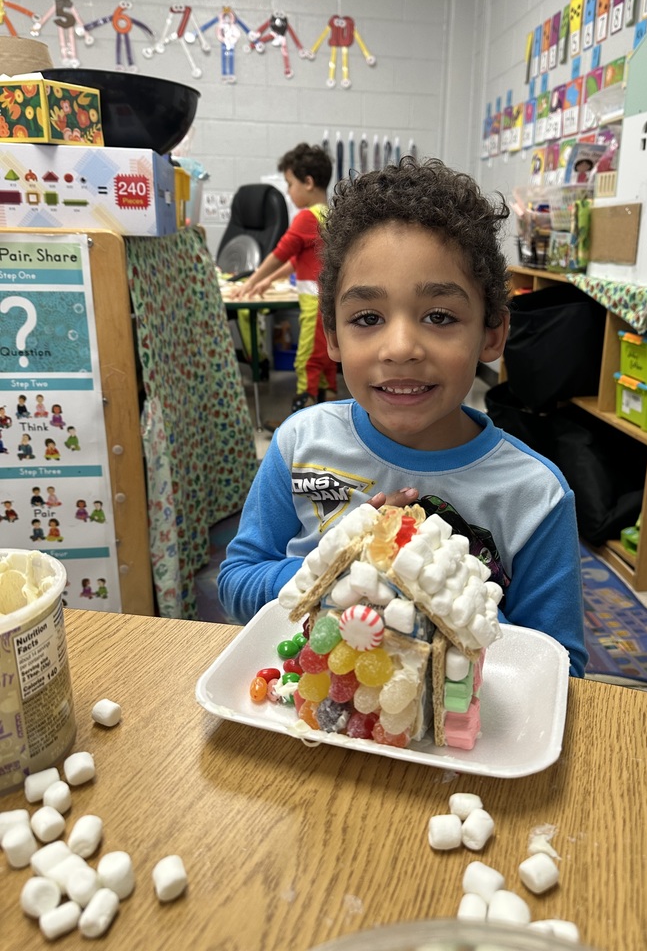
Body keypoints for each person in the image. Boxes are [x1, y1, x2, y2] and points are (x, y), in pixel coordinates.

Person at [219, 157, 587, 677]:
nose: (400, 347)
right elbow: (235, 582)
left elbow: (561, 669)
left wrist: (450, 601)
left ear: (491, 335)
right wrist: (342, 564)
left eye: (439, 316)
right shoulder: (301, 443)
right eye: (367, 318)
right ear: (333, 336)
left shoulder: (534, 496)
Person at [229, 142, 337, 417]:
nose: (289, 193)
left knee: (306, 360)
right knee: (324, 360)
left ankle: (306, 414)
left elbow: (280, 253)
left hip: (315, 304)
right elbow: (295, 261)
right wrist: (267, 281)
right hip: (324, 302)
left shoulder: (306, 218)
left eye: (290, 184)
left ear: (308, 182)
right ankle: (328, 409)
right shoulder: (329, 215)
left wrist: (251, 282)